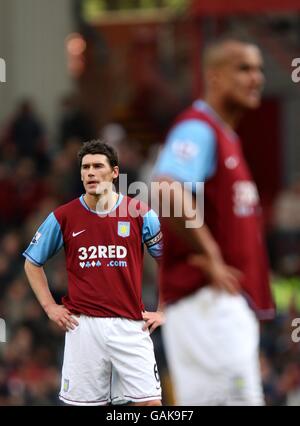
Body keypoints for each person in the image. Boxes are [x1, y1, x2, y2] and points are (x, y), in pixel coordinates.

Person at [153, 38, 275, 406]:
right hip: (207, 302)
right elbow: (166, 189)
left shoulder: (226, 136)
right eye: (244, 68)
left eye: (259, 69)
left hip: (214, 310)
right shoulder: (199, 128)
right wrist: (211, 253)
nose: (256, 78)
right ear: (215, 77)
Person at [23, 139, 164, 406]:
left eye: (97, 166)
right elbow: (32, 263)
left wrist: (164, 308)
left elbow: (167, 263)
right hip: (83, 326)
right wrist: (49, 306)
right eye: (85, 167)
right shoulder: (63, 216)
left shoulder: (140, 214)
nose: (90, 172)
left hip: (130, 325)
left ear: (114, 172)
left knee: (150, 405)